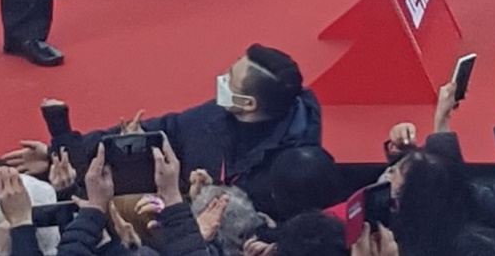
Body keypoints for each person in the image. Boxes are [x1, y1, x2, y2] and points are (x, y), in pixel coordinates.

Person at [19, 44, 320, 217]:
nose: (221, 80)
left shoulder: (294, 171)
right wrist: (60, 150)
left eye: (230, 78)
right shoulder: (212, 116)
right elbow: (160, 131)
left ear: (248, 103)